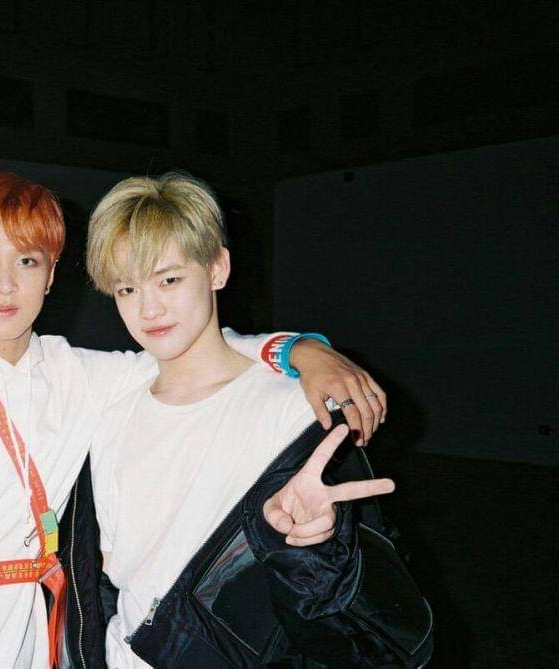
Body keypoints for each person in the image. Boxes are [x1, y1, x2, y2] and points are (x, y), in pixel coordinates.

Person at [0, 172, 387, 668]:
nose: (5, 284)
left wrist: (300, 351)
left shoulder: (77, 376)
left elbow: (185, 354)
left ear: (51, 274)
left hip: (32, 645)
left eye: (27, 260)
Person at [67, 172, 429, 668]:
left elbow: (346, 624)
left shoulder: (294, 412)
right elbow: (112, 576)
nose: (149, 308)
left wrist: (313, 547)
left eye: (169, 279)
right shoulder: (113, 407)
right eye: (128, 288)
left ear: (217, 267)